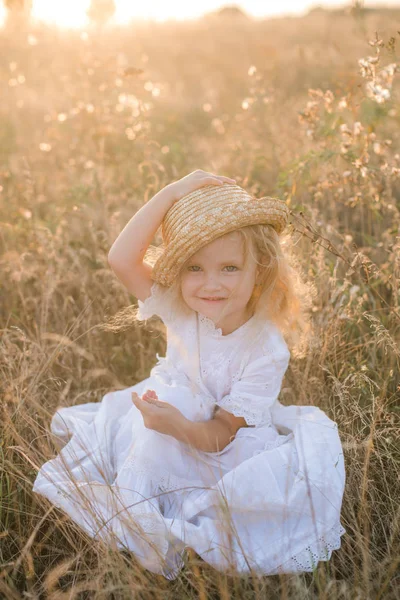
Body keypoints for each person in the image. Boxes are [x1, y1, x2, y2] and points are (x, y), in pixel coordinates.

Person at [32, 170, 346, 580]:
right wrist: (172, 192)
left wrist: (176, 424)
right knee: (145, 443)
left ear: (260, 270)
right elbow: (121, 259)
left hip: (222, 442)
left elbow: (222, 432)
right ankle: (140, 524)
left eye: (230, 267)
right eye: (194, 267)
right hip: (169, 416)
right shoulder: (182, 307)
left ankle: (167, 533)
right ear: (178, 273)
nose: (210, 284)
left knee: (214, 491)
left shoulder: (265, 349)